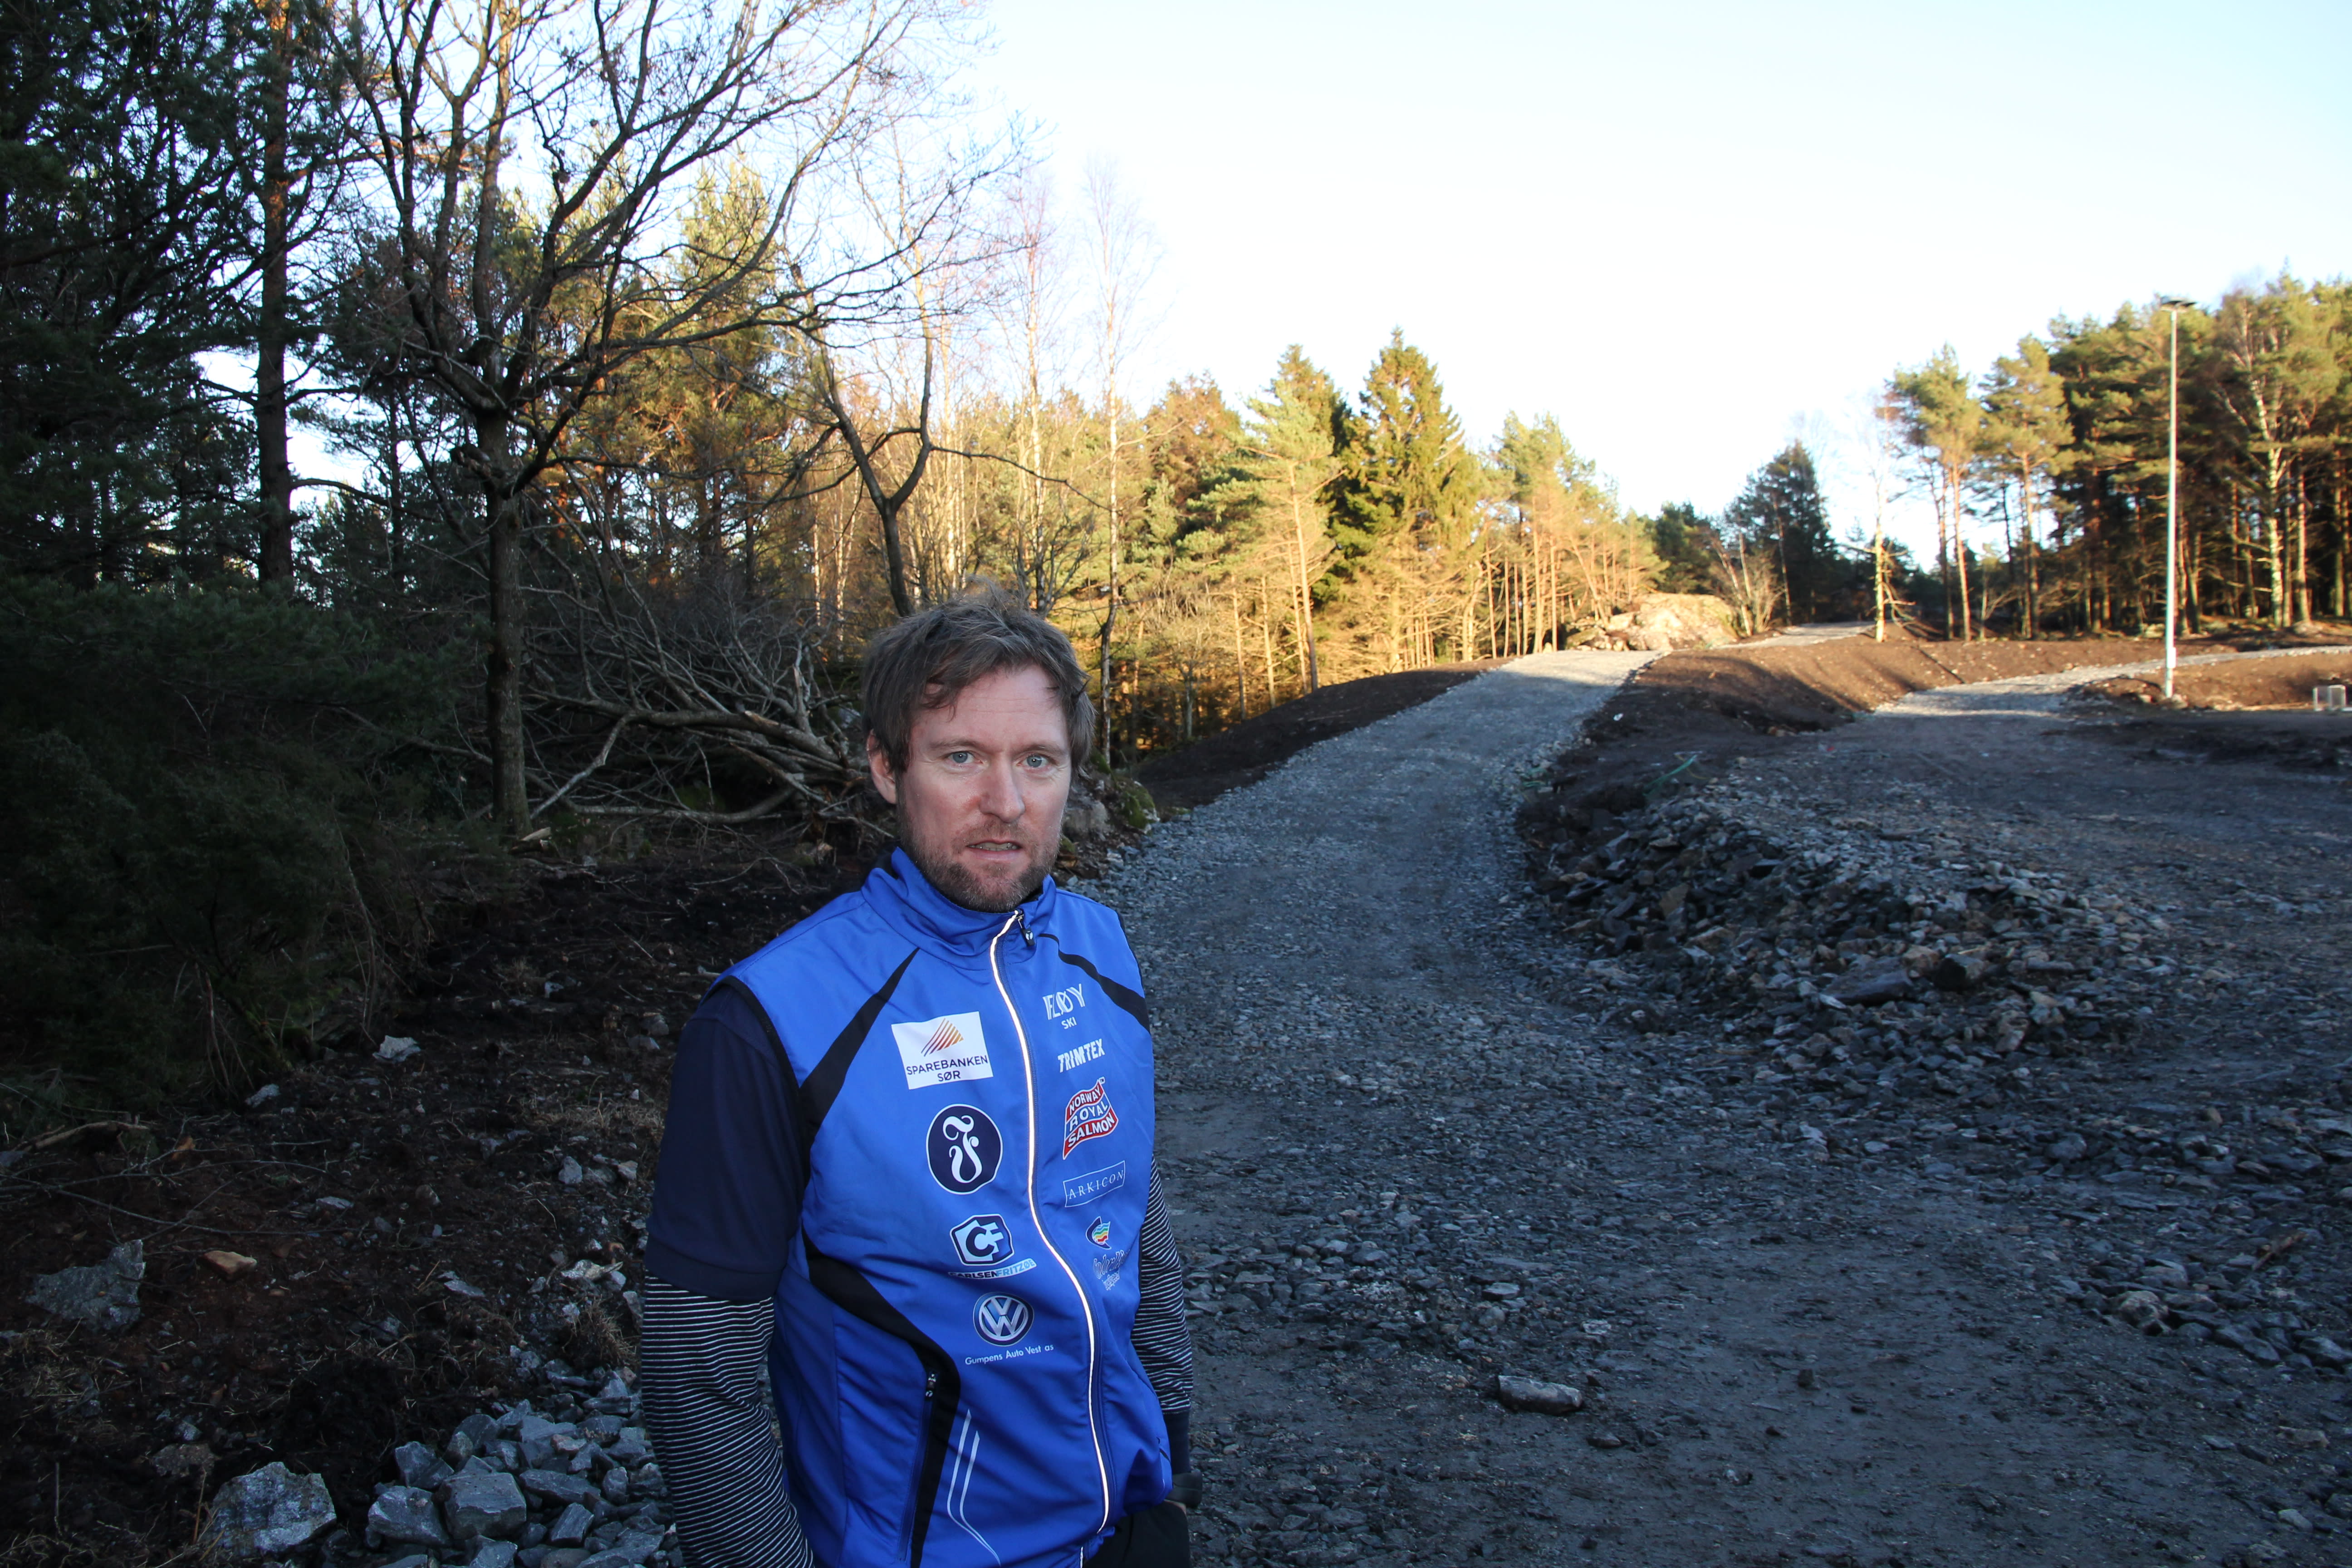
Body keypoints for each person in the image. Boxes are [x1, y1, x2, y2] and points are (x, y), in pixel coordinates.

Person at [639, 589, 1197, 1568]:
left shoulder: (1101, 951)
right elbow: (699, 1369)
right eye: (961, 757)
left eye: (1038, 760)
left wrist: (1174, 1450)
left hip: (1128, 1528)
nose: (1007, 802)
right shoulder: (772, 1020)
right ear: (886, 766)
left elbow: (1130, 1209)